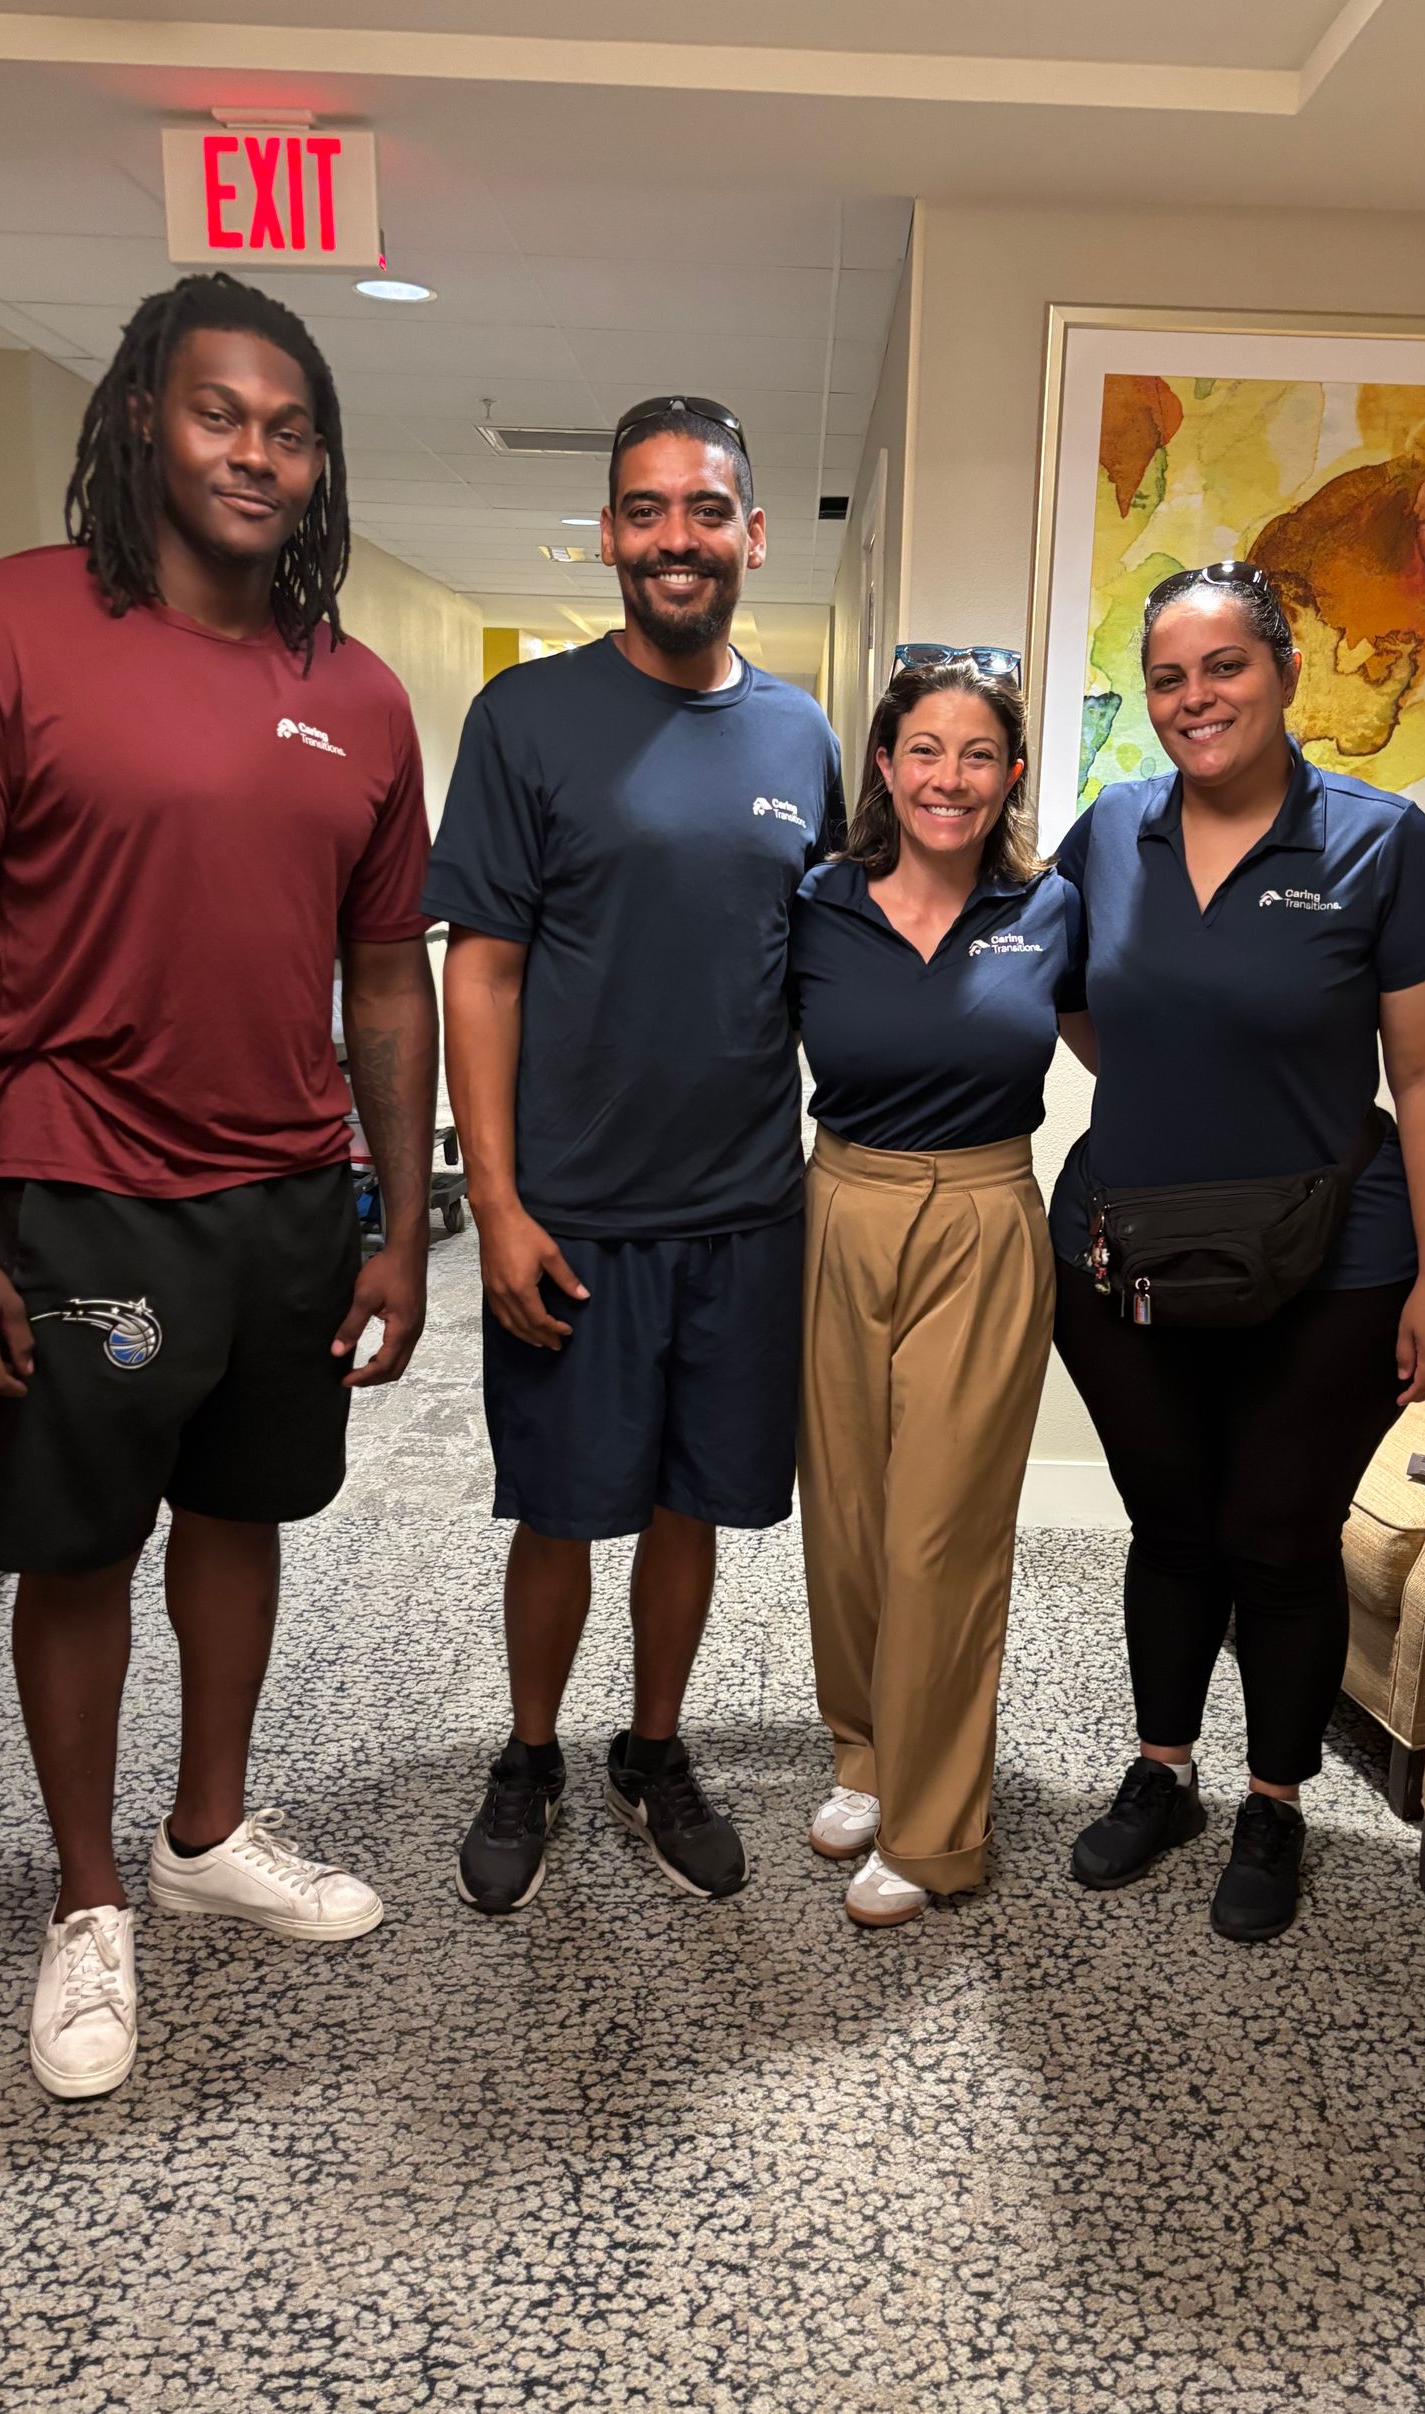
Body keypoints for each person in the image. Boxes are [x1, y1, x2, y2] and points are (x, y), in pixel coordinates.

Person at [0, 273, 439, 2099]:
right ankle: (89, 1897)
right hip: (77, 1189)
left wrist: (387, 1223)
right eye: (220, 413)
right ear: (141, 416)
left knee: (242, 1513)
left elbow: (383, 971)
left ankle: (207, 1832)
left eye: (291, 427)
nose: (257, 453)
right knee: (76, 1548)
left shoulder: (354, 691)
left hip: (286, 1199)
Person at [427, 394, 844, 1915]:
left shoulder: (801, 733)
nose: (679, 537)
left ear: (748, 531)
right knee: (558, 1506)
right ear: (609, 534)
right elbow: (481, 967)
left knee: (692, 1504)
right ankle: (529, 1750)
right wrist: (497, 1200)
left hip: (743, 1209)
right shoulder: (526, 721)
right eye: (648, 509)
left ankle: (652, 1745)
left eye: (706, 509)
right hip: (576, 1214)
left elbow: (827, 954)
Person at [1051, 561, 1425, 1942]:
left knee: (1280, 1536)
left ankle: (1275, 1802)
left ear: (1286, 671)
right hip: (1130, 1255)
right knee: (1172, 1525)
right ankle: (1162, 1773)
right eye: (1168, 676)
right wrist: (1185, 1087)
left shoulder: (1378, 841)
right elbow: (1070, 998)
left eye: (1223, 666)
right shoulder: (1110, 833)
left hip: (1336, 1262)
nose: (1194, 698)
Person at [792, 661, 1081, 1926]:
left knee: (939, 1537)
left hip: (981, 1215)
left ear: (1010, 775)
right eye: (923, 751)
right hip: (838, 1207)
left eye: (976, 755)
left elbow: (1143, 1036)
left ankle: (937, 1829)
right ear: (885, 767)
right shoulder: (817, 901)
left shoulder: (1055, 907)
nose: (947, 779)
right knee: (848, 1523)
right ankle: (867, 1753)